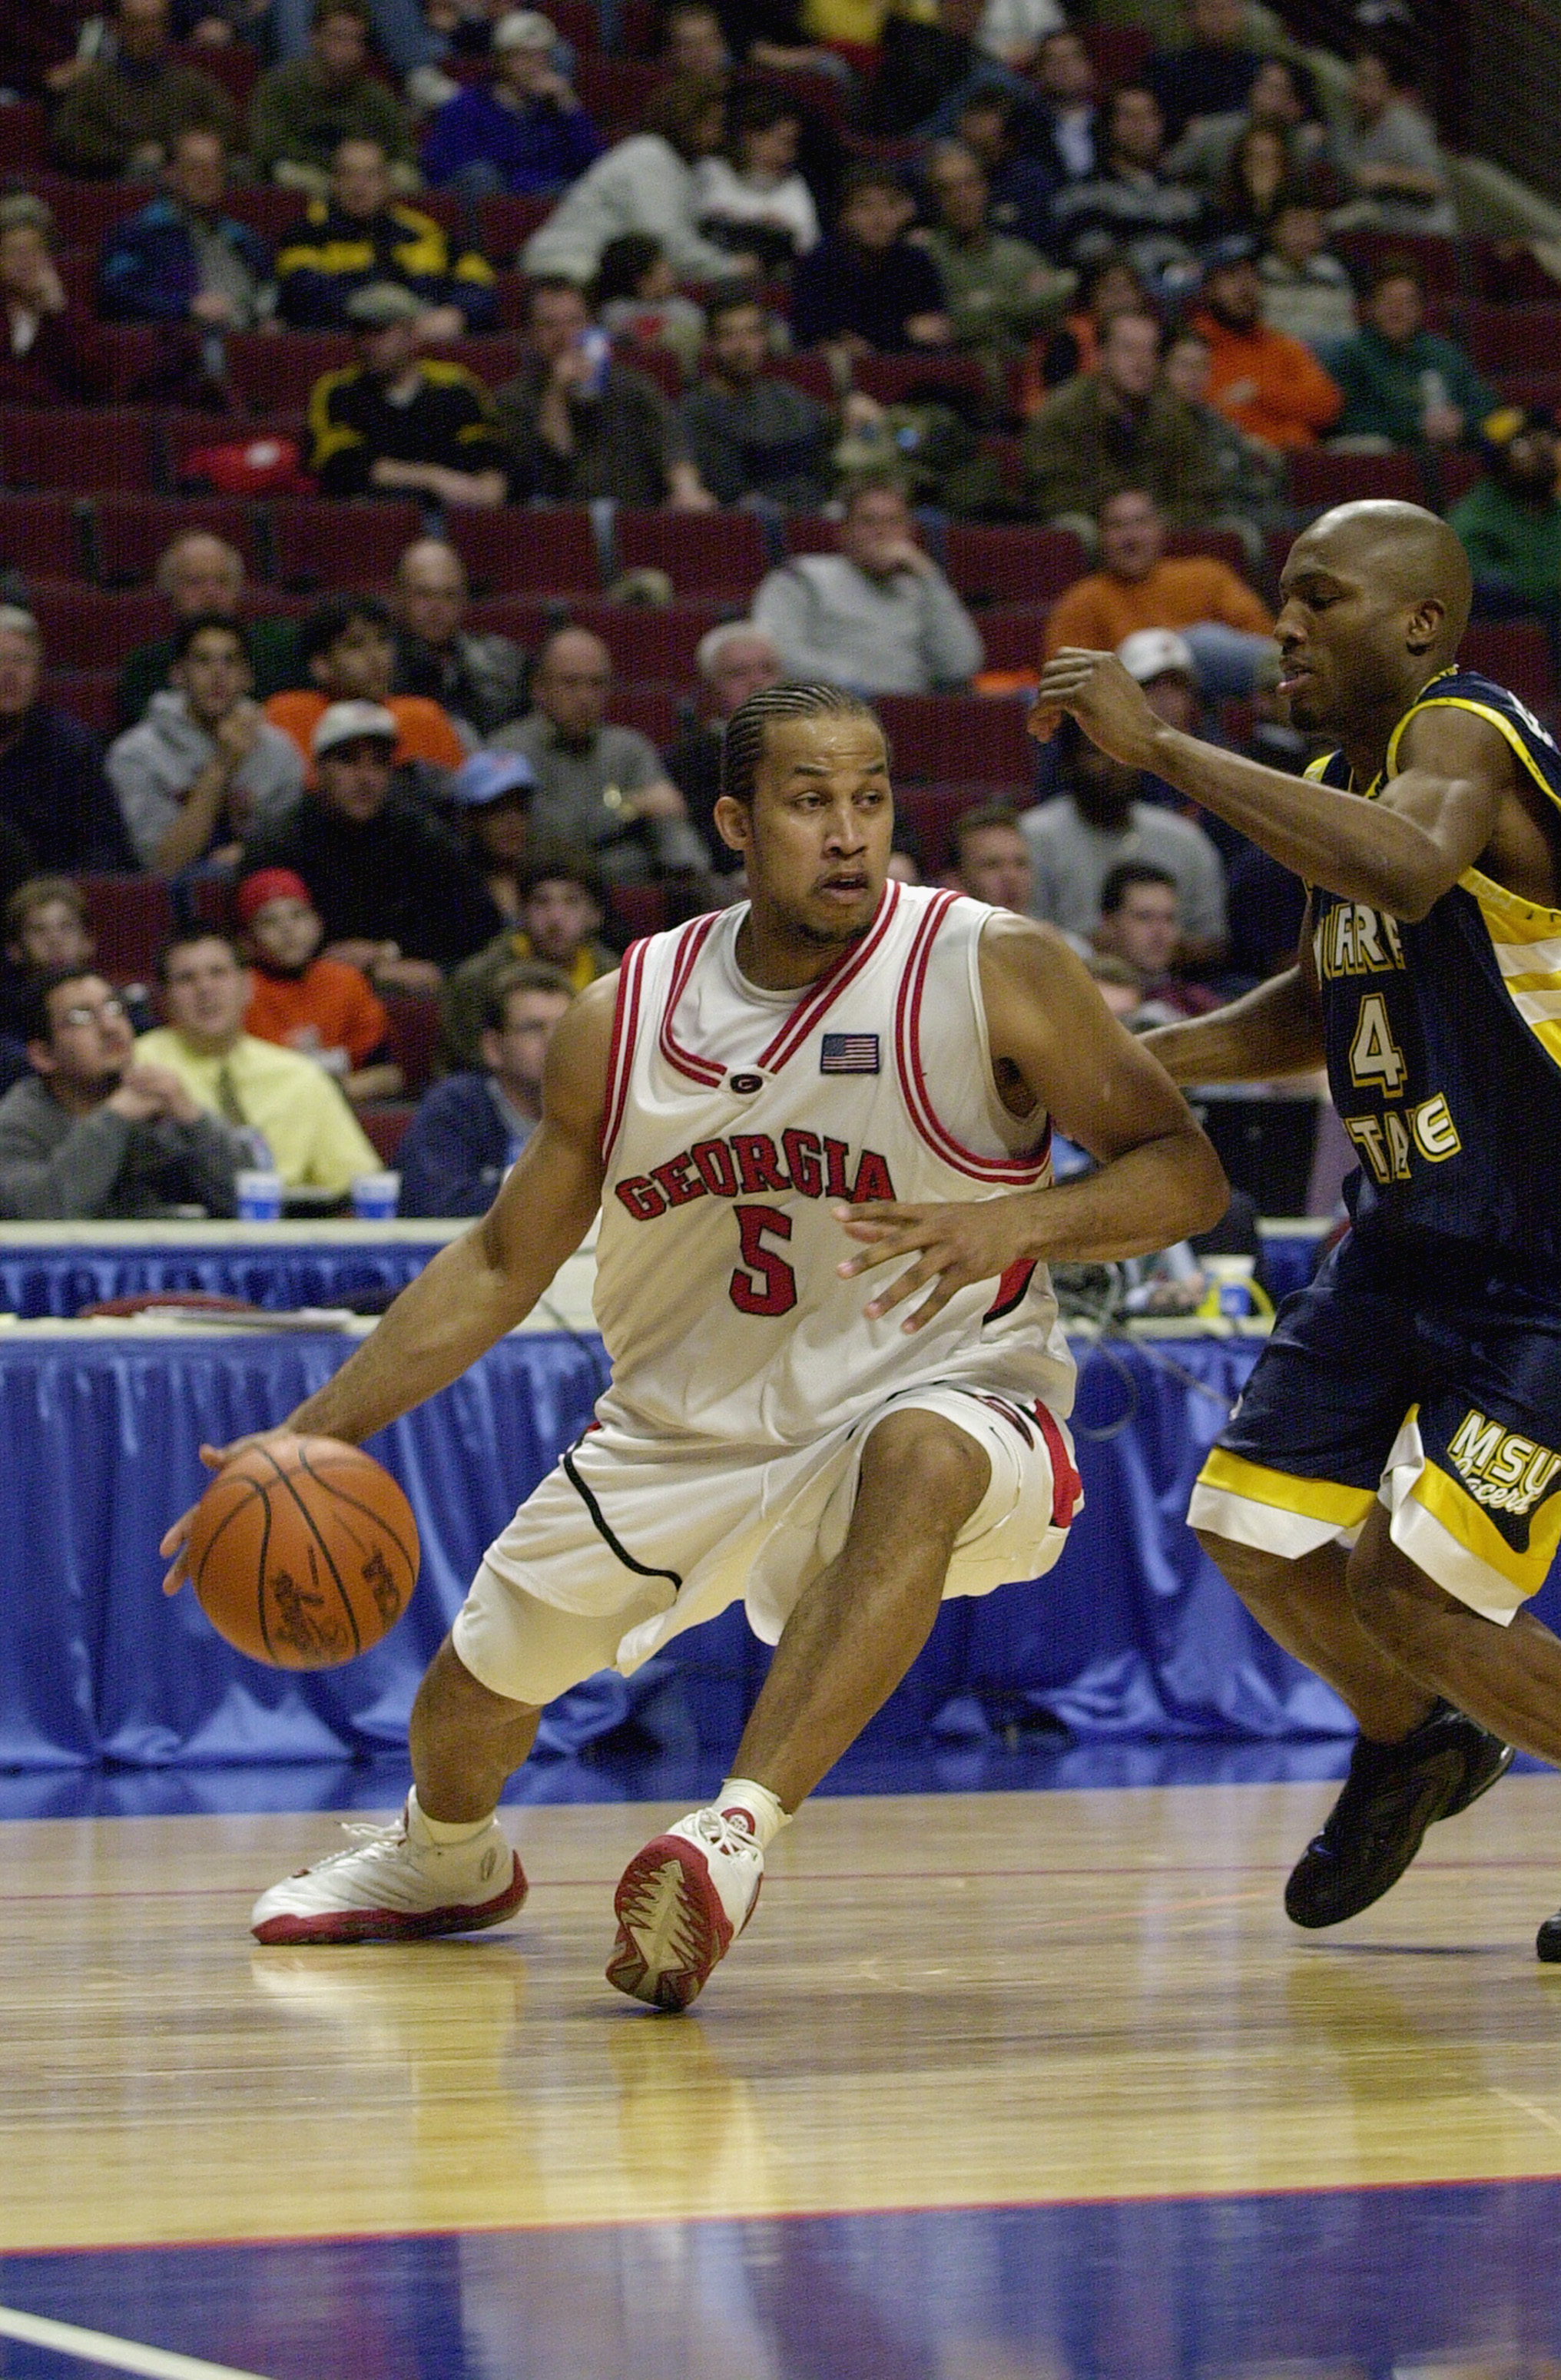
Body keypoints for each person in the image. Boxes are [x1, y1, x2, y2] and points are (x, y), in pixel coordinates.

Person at [163, 678, 1224, 2000]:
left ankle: (730, 1835)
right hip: (680, 1430)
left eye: (870, 800)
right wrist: (306, 1436)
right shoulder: (626, 1014)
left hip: (944, 1384)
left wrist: (1021, 1226)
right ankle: (447, 1858)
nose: (848, 833)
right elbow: (500, 1260)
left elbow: (1183, 1171)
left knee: (922, 1450)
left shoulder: (986, 965)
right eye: (807, 802)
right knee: (471, 1698)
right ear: (732, 819)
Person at [1030, 496, 1561, 1957]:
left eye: (1312, 597)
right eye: (1277, 596)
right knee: (1249, 1526)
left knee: (1410, 1578)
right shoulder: (1342, 780)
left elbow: (1403, 869)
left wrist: (1162, 752)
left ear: (1417, 622)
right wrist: (1127, 1060)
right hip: (1402, 1241)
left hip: (1540, 1262)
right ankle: (1416, 1742)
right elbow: (1330, 996)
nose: (1279, 626)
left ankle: (1432, 1709)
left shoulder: (1462, 733)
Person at [241, 702, 501, 987]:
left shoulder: (419, 833)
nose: (366, 778)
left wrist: (388, 953)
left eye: (379, 763)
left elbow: (479, 922)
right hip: (301, 986)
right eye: (349, 761)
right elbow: (251, 941)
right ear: (317, 769)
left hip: (403, 980)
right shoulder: (277, 843)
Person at [136, 928, 380, 1193]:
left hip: (286, 1222)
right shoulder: (139, 1065)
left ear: (248, 987)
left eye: (218, 973)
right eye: (186, 979)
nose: (205, 989)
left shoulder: (301, 1075)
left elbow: (360, 1182)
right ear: (165, 999)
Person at [0, 964, 247, 1220]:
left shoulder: (160, 1108)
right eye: (82, 1017)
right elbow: (43, 1214)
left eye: (115, 1008)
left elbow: (247, 1202)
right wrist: (113, 1118)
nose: (110, 1026)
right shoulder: (19, 1122)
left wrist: (194, 1120)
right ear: (43, 1055)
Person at [490, 628, 711, 886]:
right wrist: (629, 806)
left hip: (628, 884)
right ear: (539, 688)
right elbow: (547, 835)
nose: (585, 698)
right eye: (571, 683)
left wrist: (690, 872)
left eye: (596, 684)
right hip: (547, 892)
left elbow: (668, 819)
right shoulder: (510, 749)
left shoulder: (629, 747)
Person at [107, 614, 305, 877]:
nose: (218, 673)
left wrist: (251, 855)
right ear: (178, 674)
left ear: (247, 677)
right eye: (203, 660)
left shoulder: (279, 750)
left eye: (230, 661)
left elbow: (295, 852)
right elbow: (161, 865)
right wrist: (221, 766)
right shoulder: (136, 753)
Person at [494, 277, 715, 512]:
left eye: (574, 321)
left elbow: (673, 447)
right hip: (558, 522)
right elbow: (548, 472)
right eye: (549, 325)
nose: (564, 334)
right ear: (530, 335)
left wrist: (686, 490)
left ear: (591, 325)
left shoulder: (632, 385)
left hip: (634, 517)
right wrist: (557, 392)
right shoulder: (511, 399)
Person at [1021, 717, 1228, 966]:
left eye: (1124, 752)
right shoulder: (1032, 836)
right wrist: (1094, 948)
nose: (1114, 764)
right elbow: (1019, 940)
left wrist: (1150, 944)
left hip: (1171, 987)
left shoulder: (1183, 838)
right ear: (1068, 762)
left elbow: (1213, 942)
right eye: (1095, 752)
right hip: (1063, 985)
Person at [753, 479, 984, 696]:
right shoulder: (801, 576)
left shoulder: (921, 588)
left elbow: (961, 665)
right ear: (844, 531)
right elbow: (778, 654)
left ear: (909, 532)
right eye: (868, 521)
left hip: (908, 713)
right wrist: (862, 690)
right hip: (829, 711)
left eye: (894, 522)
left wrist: (930, 577)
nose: (881, 532)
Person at [519, 76, 747, 289]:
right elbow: (662, 239)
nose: (717, 134)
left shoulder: (684, 168)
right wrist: (729, 267)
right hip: (563, 267)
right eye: (710, 124)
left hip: (602, 272)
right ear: (685, 120)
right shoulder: (649, 156)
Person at [1042, 490, 1274, 697]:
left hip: (1213, 691)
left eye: (1141, 523)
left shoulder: (1207, 576)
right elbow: (1063, 681)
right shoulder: (1082, 600)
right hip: (1128, 704)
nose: (1131, 537)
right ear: (1101, 537)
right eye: (1117, 526)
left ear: (1160, 529)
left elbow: (1264, 642)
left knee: (1203, 643)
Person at [306, 282, 511, 507]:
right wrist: (432, 478)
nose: (367, 343)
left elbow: (489, 451)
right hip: (375, 514)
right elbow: (342, 464)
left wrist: (489, 491)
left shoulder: (456, 386)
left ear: (413, 334)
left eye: (380, 331)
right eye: (360, 332)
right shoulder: (339, 391)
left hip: (451, 512)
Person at [1021, 310, 1221, 533]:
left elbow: (1199, 491)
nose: (1141, 361)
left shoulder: (1172, 415)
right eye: (1128, 349)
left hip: (1157, 526)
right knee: (1078, 530)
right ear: (1101, 355)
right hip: (1095, 523)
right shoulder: (1062, 413)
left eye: (1150, 351)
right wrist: (1124, 520)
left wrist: (1153, 521)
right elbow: (1052, 494)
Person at [401, 960, 574, 1215]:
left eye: (565, 1027)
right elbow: (433, 1205)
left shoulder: (605, 1108)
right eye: (532, 1028)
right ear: (493, 1048)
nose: (553, 1041)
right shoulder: (455, 1108)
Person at [277, 136, 498, 335]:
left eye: (370, 175)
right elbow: (303, 295)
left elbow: (478, 279)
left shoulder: (421, 232)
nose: (359, 187)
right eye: (349, 174)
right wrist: (389, 319)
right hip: (347, 348)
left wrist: (456, 314)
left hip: (421, 350)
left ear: (388, 182)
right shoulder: (306, 234)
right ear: (334, 182)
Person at [440, 840, 615, 1070]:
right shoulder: (477, 980)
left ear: (595, 915)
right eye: (542, 901)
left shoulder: (620, 980)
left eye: (571, 901)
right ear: (521, 911)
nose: (555, 917)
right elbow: (460, 1071)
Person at [237, 867, 403, 1106]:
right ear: (248, 941)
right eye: (269, 921)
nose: (288, 929)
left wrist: (322, 1094)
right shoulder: (239, 991)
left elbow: (389, 1076)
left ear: (317, 923)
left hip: (348, 1108)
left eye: (298, 915)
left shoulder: (347, 981)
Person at [266, 595, 469, 777]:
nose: (376, 657)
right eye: (355, 645)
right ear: (321, 666)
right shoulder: (287, 714)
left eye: (382, 641)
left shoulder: (423, 716)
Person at [99, 128, 275, 333]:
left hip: (250, 340)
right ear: (170, 174)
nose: (207, 176)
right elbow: (116, 293)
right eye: (194, 167)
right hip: (186, 343)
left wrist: (269, 318)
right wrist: (186, 307)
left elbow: (269, 288)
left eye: (216, 167)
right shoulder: (139, 234)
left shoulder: (243, 237)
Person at [119, 534, 301, 731]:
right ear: (170, 590)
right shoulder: (147, 664)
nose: (211, 592)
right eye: (195, 582)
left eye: (222, 581)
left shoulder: (274, 650)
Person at [0, 609, 134, 875]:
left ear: (39, 673)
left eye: (21, 661)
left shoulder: (72, 747)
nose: (9, 673)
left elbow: (106, 848)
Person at [916, 141, 1072, 365]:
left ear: (985, 187)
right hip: (946, 376)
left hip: (1019, 376)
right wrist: (1018, 303)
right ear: (934, 198)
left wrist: (982, 306)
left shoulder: (1020, 256)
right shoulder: (923, 257)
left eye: (970, 184)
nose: (962, 198)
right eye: (947, 189)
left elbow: (1059, 303)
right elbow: (936, 328)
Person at [420, 8, 604, 199]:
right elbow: (449, 171)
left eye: (542, 56)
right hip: (492, 205)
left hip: (548, 203)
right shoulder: (467, 107)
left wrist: (570, 109)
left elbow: (594, 167)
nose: (535, 65)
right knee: (481, 175)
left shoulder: (558, 108)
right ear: (501, 61)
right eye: (523, 56)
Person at [675, 294, 830, 512]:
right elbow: (725, 491)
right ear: (710, 343)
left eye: (752, 333)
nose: (743, 346)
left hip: (810, 513)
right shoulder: (694, 411)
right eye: (729, 335)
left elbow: (823, 454)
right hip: (743, 527)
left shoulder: (786, 397)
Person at [49, 0, 236, 178]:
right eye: (140, 25)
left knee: (237, 169)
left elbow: (229, 124)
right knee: (145, 168)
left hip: (185, 171)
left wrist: (190, 147)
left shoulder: (191, 82)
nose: (151, 33)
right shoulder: (93, 85)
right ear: (117, 28)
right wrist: (127, 152)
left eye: (158, 23)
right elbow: (69, 139)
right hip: (119, 178)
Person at [1047, 85, 1207, 287]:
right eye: (1129, 116)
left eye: (1150, 116)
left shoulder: (1184, 195)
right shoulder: (1082, 194)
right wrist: (1164, 271)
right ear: (1109, 125)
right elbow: (1092, 254)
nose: (1141, 126)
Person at [249, 0, 419, 191]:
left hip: (365, 178)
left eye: (356, 40)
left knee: (405, 178)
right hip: (310, 174)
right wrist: (336, 165)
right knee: (286, 172)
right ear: (315, 38)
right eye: (339, 37)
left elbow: (404, 150)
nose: (348, 49)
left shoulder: (375, 95)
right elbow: (268, 146)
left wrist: (367, 165)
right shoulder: (280, 86)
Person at [1190, 241, 1342, 452]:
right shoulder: (1193, 345)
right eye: (1231, 276)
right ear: (1208, 289)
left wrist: (1260, 392)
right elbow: (1205, 417)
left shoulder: (1284, 346)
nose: (1245, 286)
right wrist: (1286, 423)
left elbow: (1326, 405)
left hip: (1290, 462)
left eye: (1252, 276)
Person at [1332, 262, 1496, 453]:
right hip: (1388, 456)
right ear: (1371, 307)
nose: (1397, 310)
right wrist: (1415, 426)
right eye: (1388, 301)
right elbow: (1345, 420)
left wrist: (1462, 421)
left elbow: (1487, 403)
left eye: (1407, 302)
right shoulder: (1352, 355)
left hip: (1450, 447)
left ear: (1420, 309)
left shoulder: (1442, 353)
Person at [790, 169, 951, 357]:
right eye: (865, 207)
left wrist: (878, 336)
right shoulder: (819, 266)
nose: (879, 217)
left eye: (889, 206)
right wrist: (903, 332)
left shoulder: (917, 263)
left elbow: (933, 329)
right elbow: (820, 334)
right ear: (844, 217)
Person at [662, 619, 782, 867]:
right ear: (710, 687)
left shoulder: (817, 747)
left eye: (767, 670)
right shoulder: (688, 758)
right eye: (739, 673)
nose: (756, 683)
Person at [392, 541, 529, 741]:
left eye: (449, 595)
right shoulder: (379, 665)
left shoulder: (502, 662)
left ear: (464, 601)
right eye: (423, 594)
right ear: (399, 597)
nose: (436, 607)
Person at [1160, 327, 1285, 544]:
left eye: (1202, 367)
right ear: (1161, 368)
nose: (1194, 376)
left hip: (1248, 511)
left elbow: (1250, 481)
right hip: (1207, 523)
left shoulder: (1215, 420)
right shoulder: (1155, 424)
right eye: (1185, 366)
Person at [1450, 407, 1561, 628]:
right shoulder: (1475, 521)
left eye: (1545, 438)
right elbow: (1487, 593)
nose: (1542, 450)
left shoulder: (1554, 511)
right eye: (1523, 443)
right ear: (1497, 461)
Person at [692, 85, 820, 271]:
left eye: (793, 144)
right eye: (783, 142)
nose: (788, 155)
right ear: (751, 137)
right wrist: (759, 222)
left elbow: (807, 242)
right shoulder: (711, 171)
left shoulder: (793, 184)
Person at [1334, 48, 1457, 239]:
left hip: (1424, 233)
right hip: (1381, 226)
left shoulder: (1406, 127)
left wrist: (1386, 175)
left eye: (1370, 82)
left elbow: (1438, 183)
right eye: (1358, 79)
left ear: (1390, 91)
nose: (1361, 90)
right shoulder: (1349, 120)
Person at [0, 194, 108, 406]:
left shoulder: (69, 314)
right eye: (14, 252)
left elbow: (94, 383)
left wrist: (59, 313)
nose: (25, 262)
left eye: (34, 251)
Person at [1093, 860, 1218, 1015]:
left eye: (1169, 919)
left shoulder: (1198, 1004)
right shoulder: (1081, 997)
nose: (1160, 932)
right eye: (1144, 917)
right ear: (1109, 923)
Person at [1143, 0, 1264, 148]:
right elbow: (1159, 118)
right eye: (1210, 8)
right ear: (1190, 16)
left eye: (1229, 7)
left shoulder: (1260, 67)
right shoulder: (1167, 67)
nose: (1220, 15)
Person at [590, 234, 707, 380]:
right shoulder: (611, 315)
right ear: (643, 280)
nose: (671, 273)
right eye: (663, 266)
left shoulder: (687, 313)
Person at [1258, 197, 1357, 361]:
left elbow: (1346, 332)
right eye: (1295, 227)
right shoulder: (1260, 274)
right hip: (1274, 360)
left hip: (1325, 363)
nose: (1303, 236)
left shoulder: (1333, 272)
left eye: (1311, 228)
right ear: (1275, 230)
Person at [944, 804, 1033, 913]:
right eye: (992, 866)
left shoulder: (1050, 929)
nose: (1011, 877)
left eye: (1020, 864)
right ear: (956, 880)